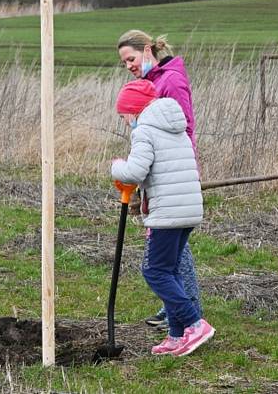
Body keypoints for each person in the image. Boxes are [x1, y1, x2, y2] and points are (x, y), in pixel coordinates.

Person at [111, 79, 215, 356]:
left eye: (123, 117)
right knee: (170, 271)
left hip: (167, 213)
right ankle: (176, 335)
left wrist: (116, 167)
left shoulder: (145, 130)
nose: (125, 122)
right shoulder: (174, 126)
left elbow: (134, 172)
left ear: (133, 111)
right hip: (188, 209)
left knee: (155, 271)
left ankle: (195, 324)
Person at [117, 29, 204, 331]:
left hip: (173, 176)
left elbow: (185, 127)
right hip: (160, 173)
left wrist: (184, 172)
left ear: (147, 50)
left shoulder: (170, 80)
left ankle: (188, 310)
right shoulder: (151, 82)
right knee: (168, 246)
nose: (128, 65)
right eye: (124, 62)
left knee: (171, 248)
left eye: (131, 58)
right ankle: (176, 309)